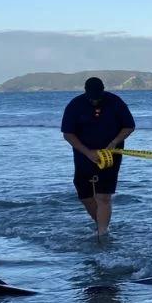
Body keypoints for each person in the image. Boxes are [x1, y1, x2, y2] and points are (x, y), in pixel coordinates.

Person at [61, 77, 136, 237]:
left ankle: (103, 233)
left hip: (110, 154)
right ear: (86, 92)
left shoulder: (115, 102)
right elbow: (68, 134)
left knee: (103, 196)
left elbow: (129, 126)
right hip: (83, 154)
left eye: (98, 98)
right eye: (92, 98)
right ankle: (100, 223)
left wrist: (115, 142)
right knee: (85, 195)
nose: (95, 101)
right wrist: (88, 153)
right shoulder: (75, 105)